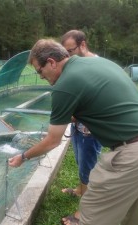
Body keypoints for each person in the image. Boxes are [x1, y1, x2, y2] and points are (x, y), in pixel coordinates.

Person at [8, 38, 138, 225]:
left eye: (40, 71)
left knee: (91, 215)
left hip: (134, 154)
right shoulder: (100, 62)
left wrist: (23, 156)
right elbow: (108, 101)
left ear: (51, 62)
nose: (41, 77)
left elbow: (52, 141)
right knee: (132, 217)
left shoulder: (64, 84)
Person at [60, 30, 102, 198]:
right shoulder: (77, 66)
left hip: (91, 130)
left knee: (88, 168)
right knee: (81, 163)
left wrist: (76, 114)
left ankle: (85, 208)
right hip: (77, 126)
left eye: (70, 52)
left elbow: (100, 100)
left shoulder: (99, 66)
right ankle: (80, 190)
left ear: (83, 45)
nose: (68, 58)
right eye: (65, 54)